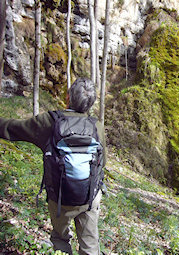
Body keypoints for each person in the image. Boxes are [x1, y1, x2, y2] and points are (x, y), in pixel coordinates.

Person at [0, 77, 106, 255]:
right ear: (91, 104)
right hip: (89, 197)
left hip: (59, 197)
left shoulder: (50, 122)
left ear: (68, 97)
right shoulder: (97, 126)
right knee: (90, 243)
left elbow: (13, 128)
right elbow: (103, 162)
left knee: (60, 237)